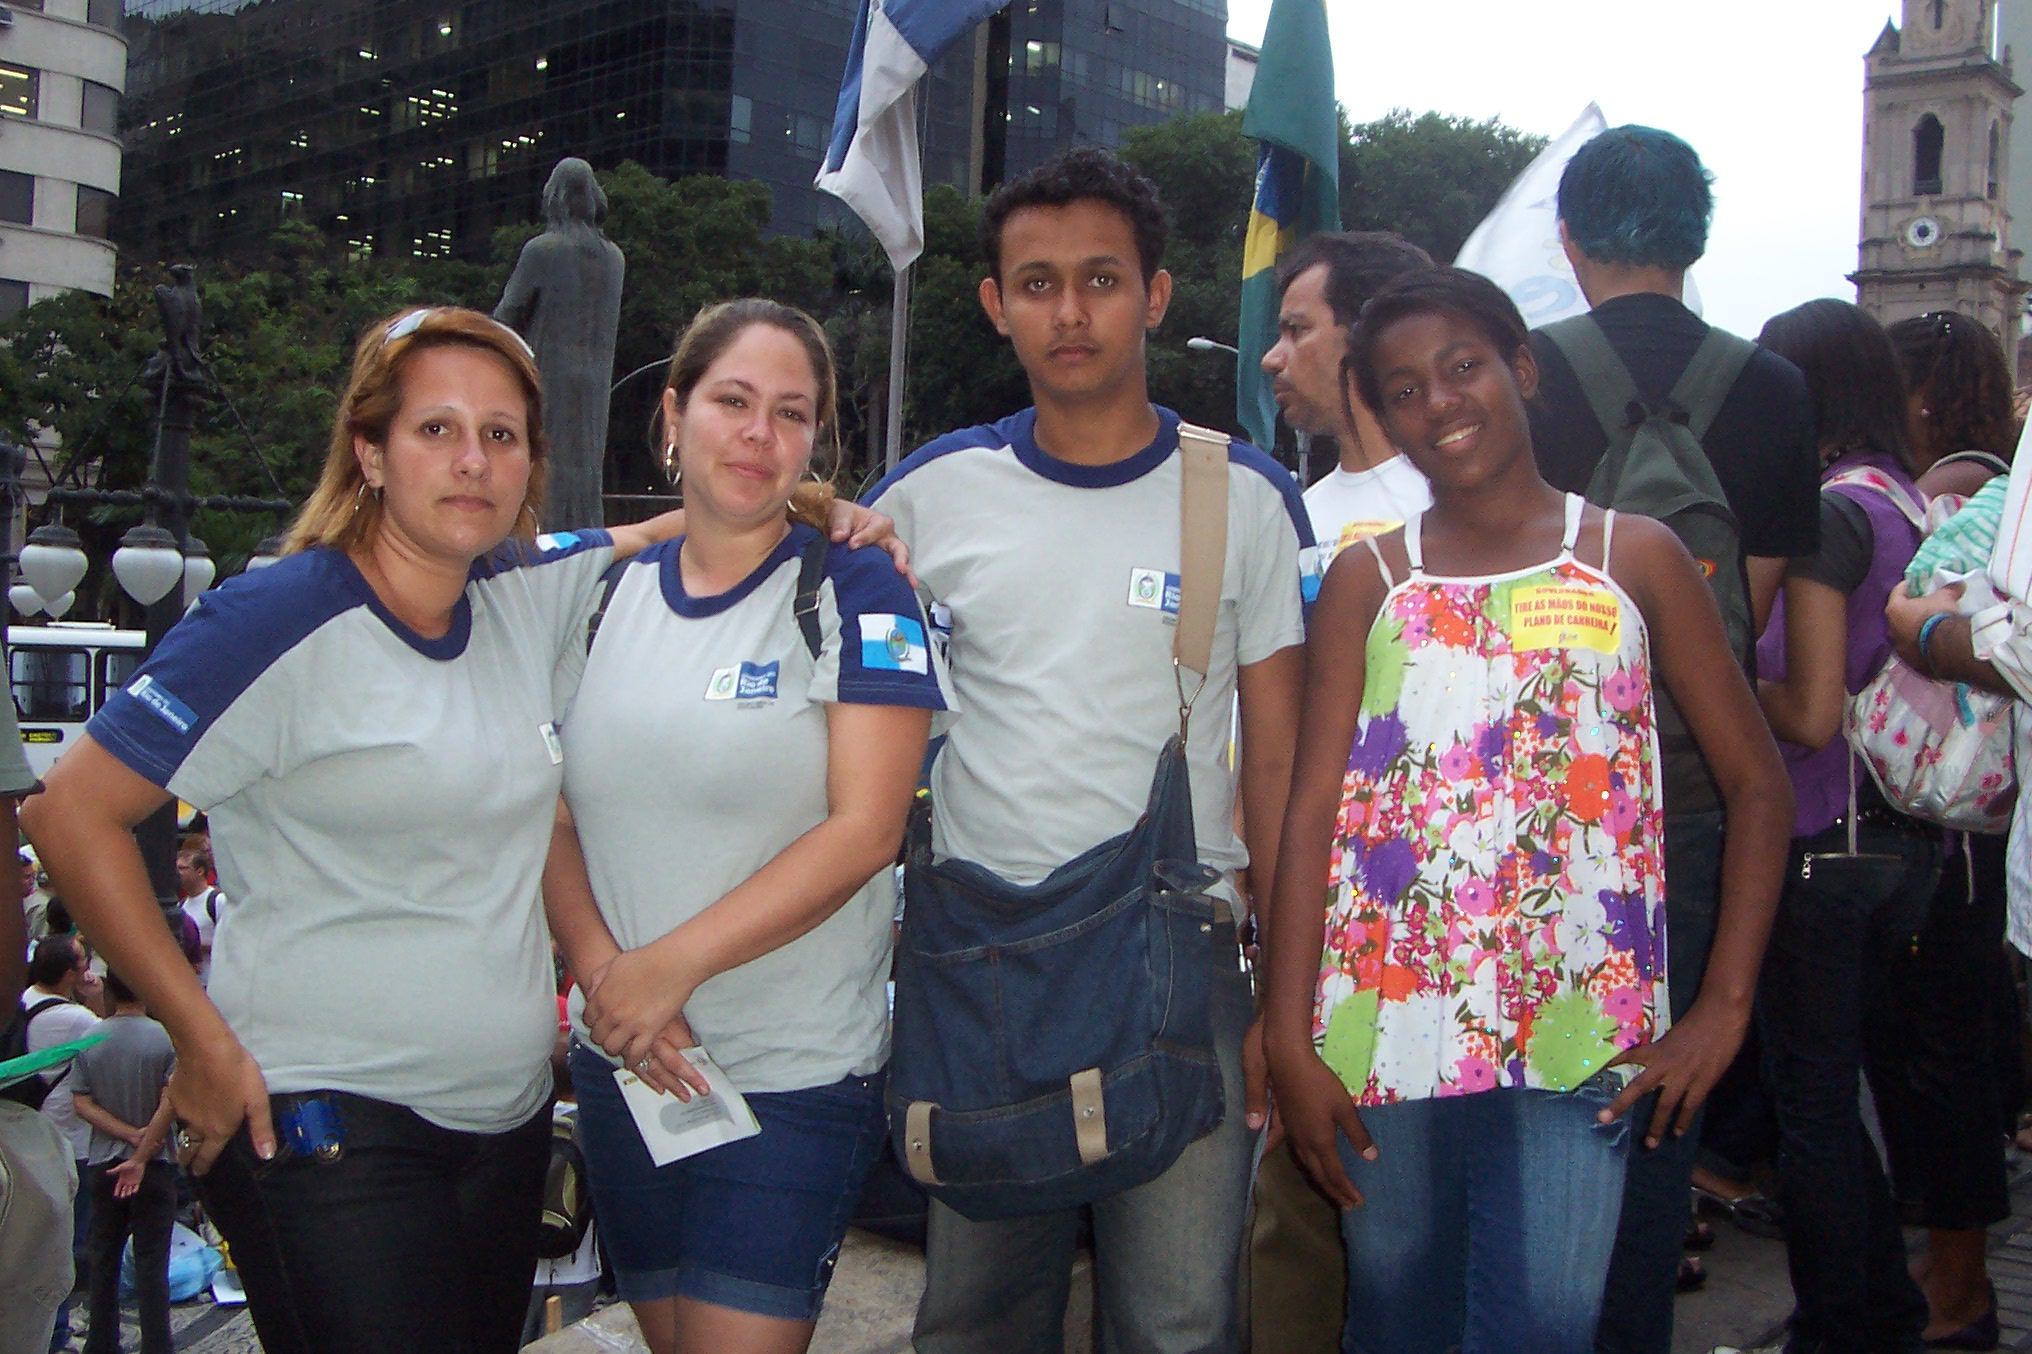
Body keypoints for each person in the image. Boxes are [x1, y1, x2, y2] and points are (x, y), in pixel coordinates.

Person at [19, 304, 904, 1354]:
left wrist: (830, 508)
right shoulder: (278, 614)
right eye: (435, 429)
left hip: (503, 1127)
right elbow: (69, 813)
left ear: (532, 462)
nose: (471, 461)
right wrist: (198, 1039)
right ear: (369, 449)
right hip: (330, 1124)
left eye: (501, 435)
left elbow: (681, 523)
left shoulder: (522, 594)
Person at [1262, 265, 1790, 1354]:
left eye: (1463, 366)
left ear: (1523, 368)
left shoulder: (1630, 557)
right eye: (1403, 388)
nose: (1439, 402)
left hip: (1581, 1028)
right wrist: (1285, 1034)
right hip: (1383, 1024)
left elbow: (1757, 784)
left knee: (1546, 1323)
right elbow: (1314, 806)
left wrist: (1725, 1005)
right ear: (1380, 413)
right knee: (1397, 1308)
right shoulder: (1372, 582)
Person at [864, 146, 1310, 1352]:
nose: (1072, 311)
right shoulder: (927, 495)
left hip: (1184, 955)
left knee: (1177, 1319)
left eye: (1103, 280)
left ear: (1157, 296)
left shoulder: (1248, 497)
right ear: (996, 303)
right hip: (980, 960)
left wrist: (1287, 1006)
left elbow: (1276, 768)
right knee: (971, 1316)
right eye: (1040, 282)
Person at [544, 299, 949, 1354]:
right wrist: (608, 979)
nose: (759, 434)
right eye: (731, 401)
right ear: (672, 414)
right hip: (624, 1060)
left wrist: (666, 967)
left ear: (817, 441)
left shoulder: (856, 582)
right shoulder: (595, 590)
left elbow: (866, 830)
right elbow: (546, 808)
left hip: (792, 1074)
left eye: (791, 413)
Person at [1526, 124, 1822, 1349]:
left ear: (1569, 240)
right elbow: (1743, 618)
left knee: (1531, 1101)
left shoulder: (1521, 370)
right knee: (1656, 1113)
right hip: (1696, 806)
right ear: (1695, 241)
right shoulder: (1772, 389)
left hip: (1543, 797)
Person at [1251, 228, 1435, 1352]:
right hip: (1312, 940)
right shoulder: (1284, 513)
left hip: (1442, 949)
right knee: (1297, 1239)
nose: (1273, 358)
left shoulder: (1465, 500)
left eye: (1295, 328)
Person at [1751, 299, 1941, 1354]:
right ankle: (1885, 1309)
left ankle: (1838, 1327)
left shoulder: (1826, 515)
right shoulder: (1902, 500)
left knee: (1810, 1101)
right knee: (1844, 1088)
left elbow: (1807, 705)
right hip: (1903, 841)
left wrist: (1715, 663)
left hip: (1823, 833)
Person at [1263, 232, 1436, 568]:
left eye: (1297, 330)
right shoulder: (1294, 520)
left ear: (1367, 334)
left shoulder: (1455, 506)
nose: (1270, 359)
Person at [69, 969, 177, 1354]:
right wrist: (145, 1145)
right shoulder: (165, 1038)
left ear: (110, 991)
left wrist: (126, 1135)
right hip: (156, 1164)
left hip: (103, 1162)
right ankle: (158, 1345)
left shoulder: (88, 1040)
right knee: (152, 1262)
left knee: (104, 1257)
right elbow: (171, 1099)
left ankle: (101, 1343)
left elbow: (80, 1101)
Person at [23, 936, 103, 1351]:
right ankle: (56, 1334)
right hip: (71, 1138)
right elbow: (118, 1033)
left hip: (33, 1132)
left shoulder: (25, 998)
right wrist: (96, 997)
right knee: (67, 1244)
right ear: (71, 973)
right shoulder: (74, 1018)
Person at [176, 837, 224, 986]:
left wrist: (196, 945)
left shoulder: (217, 900)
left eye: (183, 868)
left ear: (200, 871)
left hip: (214, 983)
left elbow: (231, 943)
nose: (177, 873)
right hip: (191, 985)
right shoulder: (180, 905)